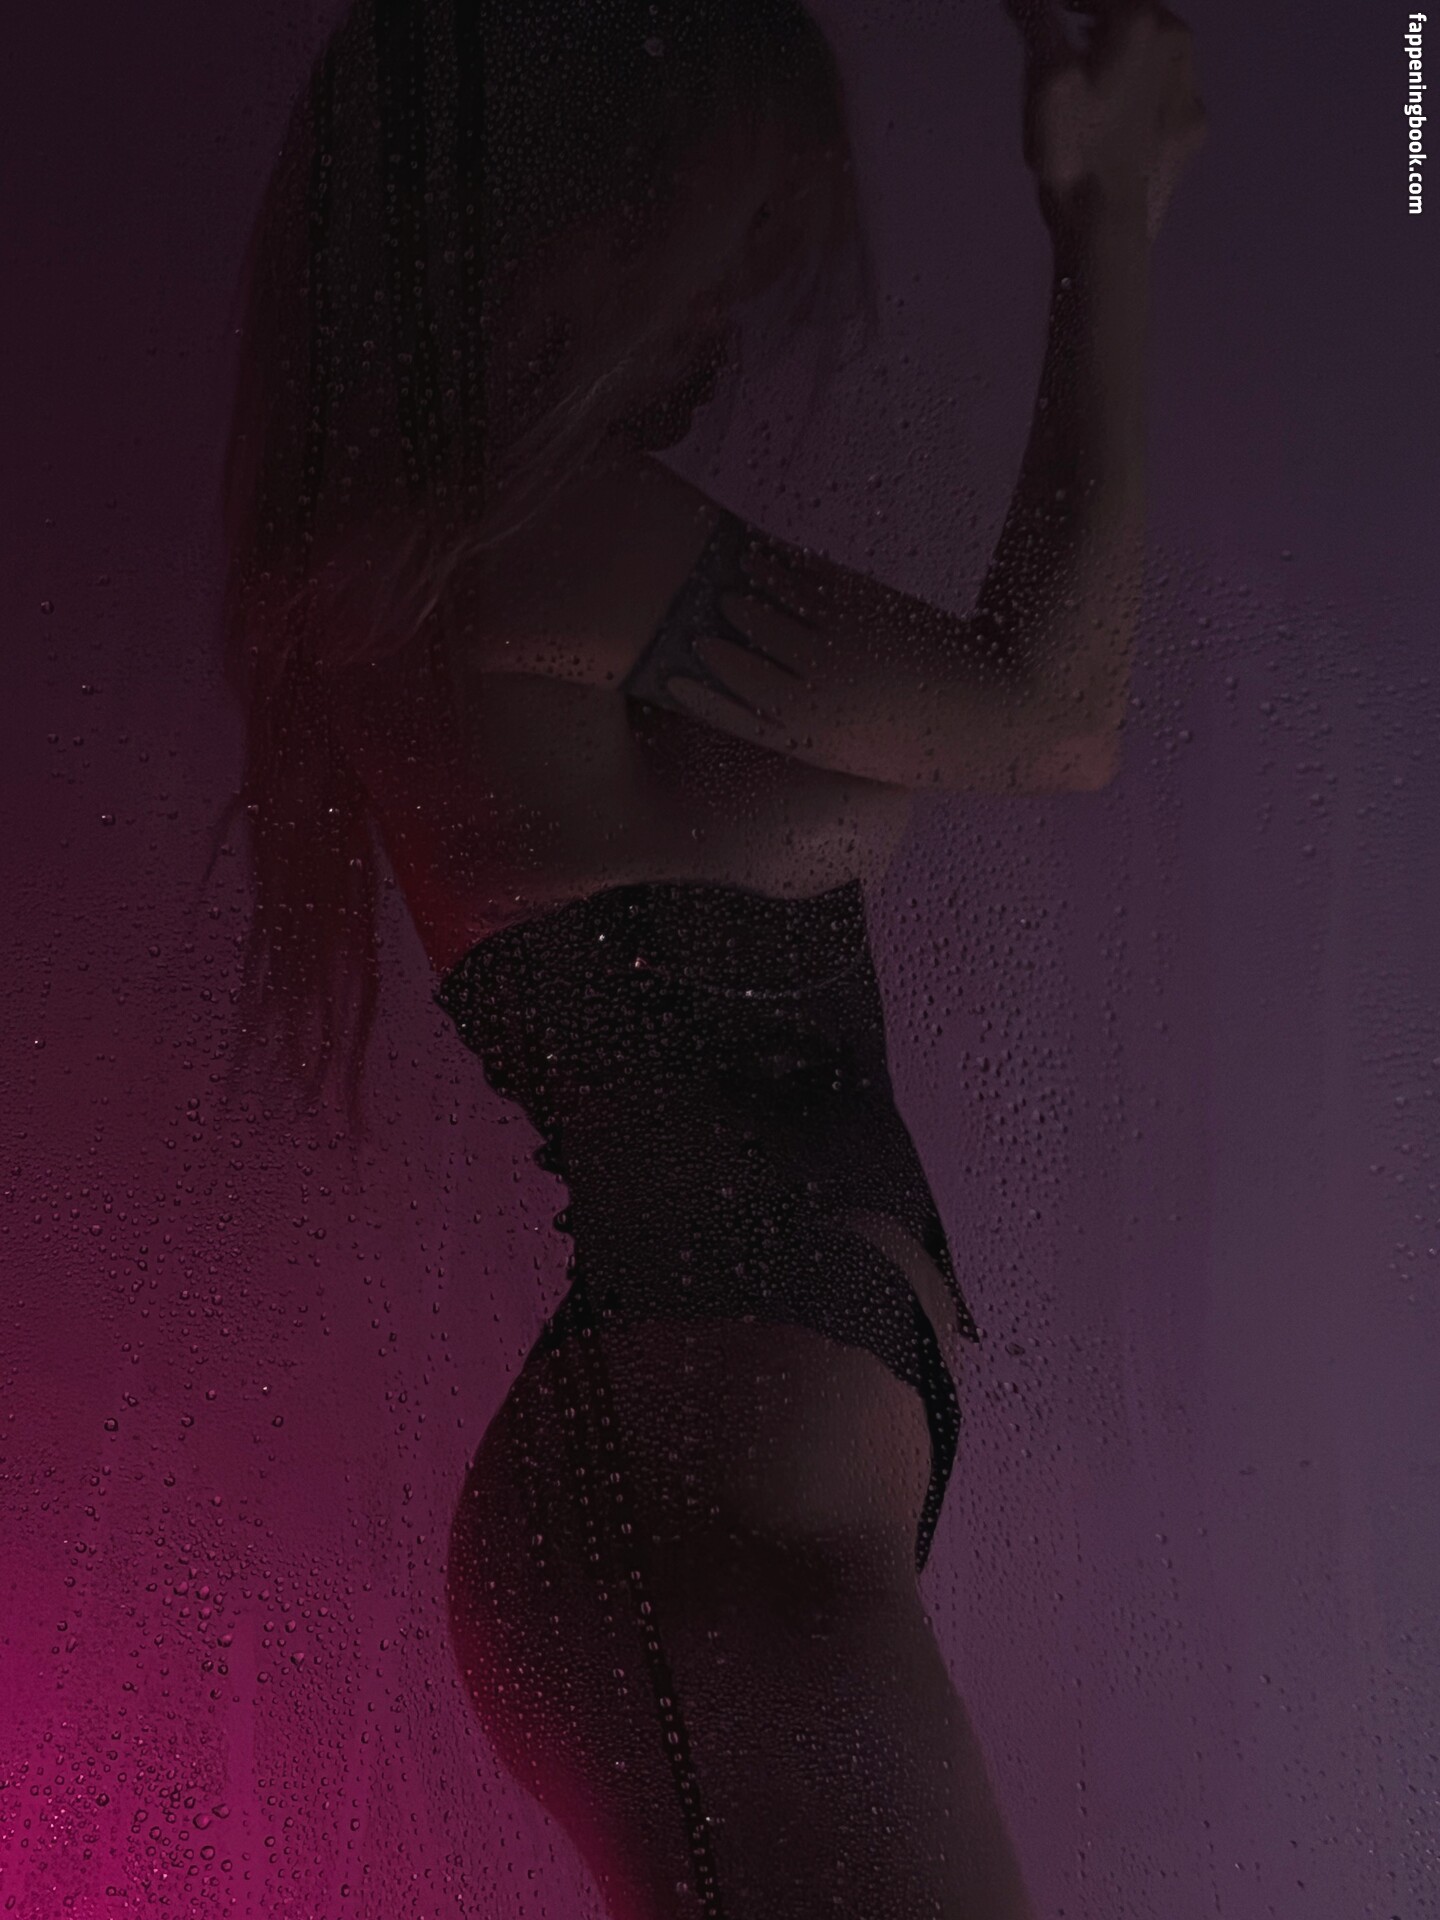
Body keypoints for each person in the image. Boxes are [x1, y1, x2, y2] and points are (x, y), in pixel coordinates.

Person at [213, 0, 1205, 1913]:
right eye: (720, 235)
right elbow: (1050, 713)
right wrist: (1109, 219)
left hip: (707, 1489)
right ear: (573, 219)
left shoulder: (464, 549)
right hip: (701, 1495)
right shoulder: (517, 544)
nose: (739, 311)